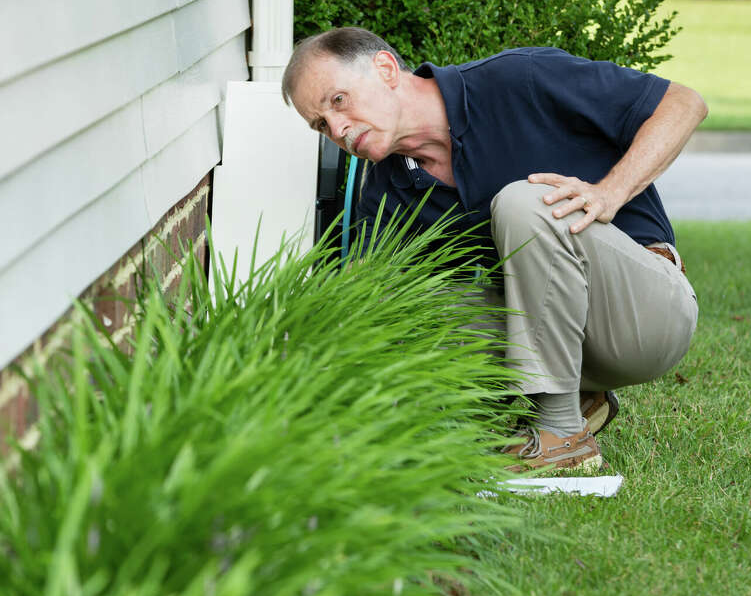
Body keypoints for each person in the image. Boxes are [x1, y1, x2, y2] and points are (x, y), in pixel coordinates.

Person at [282, 27, 705, 471]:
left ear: (386, 69)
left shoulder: (519, 79)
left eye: (338, 101)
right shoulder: (389, 191)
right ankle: (570, 400)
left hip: (646, 317)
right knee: (393, 303)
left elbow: (684, 104)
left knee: (524, 203)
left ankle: (561, 435)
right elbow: (363, 302)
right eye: (322, 125)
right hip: (566, 340)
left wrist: (608, 193)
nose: (339, 130)